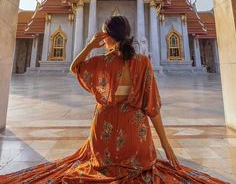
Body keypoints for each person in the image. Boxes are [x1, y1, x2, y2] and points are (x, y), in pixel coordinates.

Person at [0, 15, 229, 183]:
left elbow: (74, 67)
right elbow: (152, 108)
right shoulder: (143, 62)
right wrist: (166, 146)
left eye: (103, 33)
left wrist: (91, 44)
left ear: (106, 36)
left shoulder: (101, 62)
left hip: (104, 138)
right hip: (136, 140)